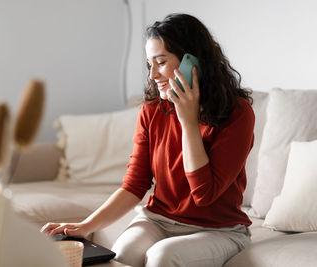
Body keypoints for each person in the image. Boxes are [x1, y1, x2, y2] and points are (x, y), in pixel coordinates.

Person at [41, 13, 254, 267]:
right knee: (122, 255)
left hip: (219, 230)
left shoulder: (237, 112)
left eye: (161, 62)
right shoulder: (153, 110)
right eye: (149, 64)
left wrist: (187, 121)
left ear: (193, 62)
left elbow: (204, 195)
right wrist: (85, 226)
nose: (153, 75)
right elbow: (135, 184)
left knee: (162, 256)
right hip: (158, 220)